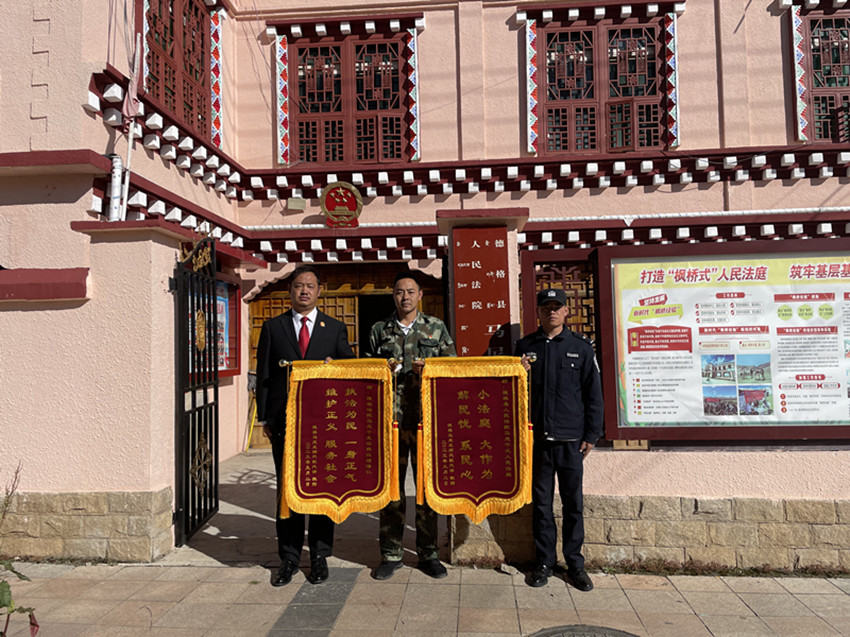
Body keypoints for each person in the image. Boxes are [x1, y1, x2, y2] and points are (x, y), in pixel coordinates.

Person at [255, 265, 355, 586]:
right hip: (285, 423)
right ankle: (288, 557)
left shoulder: (334, 328)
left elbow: (350, 371)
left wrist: (336, 367)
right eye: (298, 286)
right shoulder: (273, 327)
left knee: (322, 488)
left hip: (324, 424)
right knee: (288, 489)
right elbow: (264, 375)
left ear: (319, 291)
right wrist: (264, 417)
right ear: (290, 291)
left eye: (310, 286)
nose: (304, 291)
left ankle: (320, 555)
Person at [367, 271, 456, 580]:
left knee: (425, 490)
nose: (404, 297)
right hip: (390, 422)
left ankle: (428, 554)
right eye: (399, 292)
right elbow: (366, 371)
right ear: (393, 296)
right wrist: (384, 368)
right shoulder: (380, 330)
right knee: (391, 490)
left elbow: (451, 367)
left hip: (424, 422)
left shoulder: (436, 327)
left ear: (420, 295)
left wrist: (429, 368)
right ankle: (391, 554)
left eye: (410, 292)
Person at [514, 288, 603, 591]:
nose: (551, 311)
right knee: (541, 505)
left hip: (570, 440)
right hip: (538, 441)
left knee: (572, 504)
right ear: (538, 312)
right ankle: (544, 562)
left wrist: (591, 434)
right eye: (546, 307)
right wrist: (520, 372)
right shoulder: (525, 347)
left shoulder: (581, 347)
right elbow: (513, 391)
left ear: (566, 311)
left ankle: (575, 564)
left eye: (557, 307)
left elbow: (593, 395)